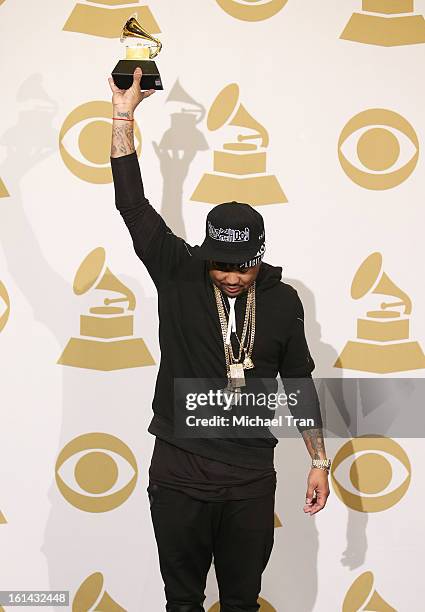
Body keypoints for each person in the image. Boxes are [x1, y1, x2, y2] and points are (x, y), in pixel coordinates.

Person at [108, 67, 331, 612]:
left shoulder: (282, 301)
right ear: (207, 254)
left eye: (244, 267)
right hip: (179, 471)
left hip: (250, 478)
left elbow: (298, 382)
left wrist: (319, 461)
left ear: (261, 257)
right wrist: (123, 115)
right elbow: (133, 206)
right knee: (182, 602)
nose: (232, 276)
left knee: (240, 602)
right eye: (222, 265)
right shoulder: (179, 270)